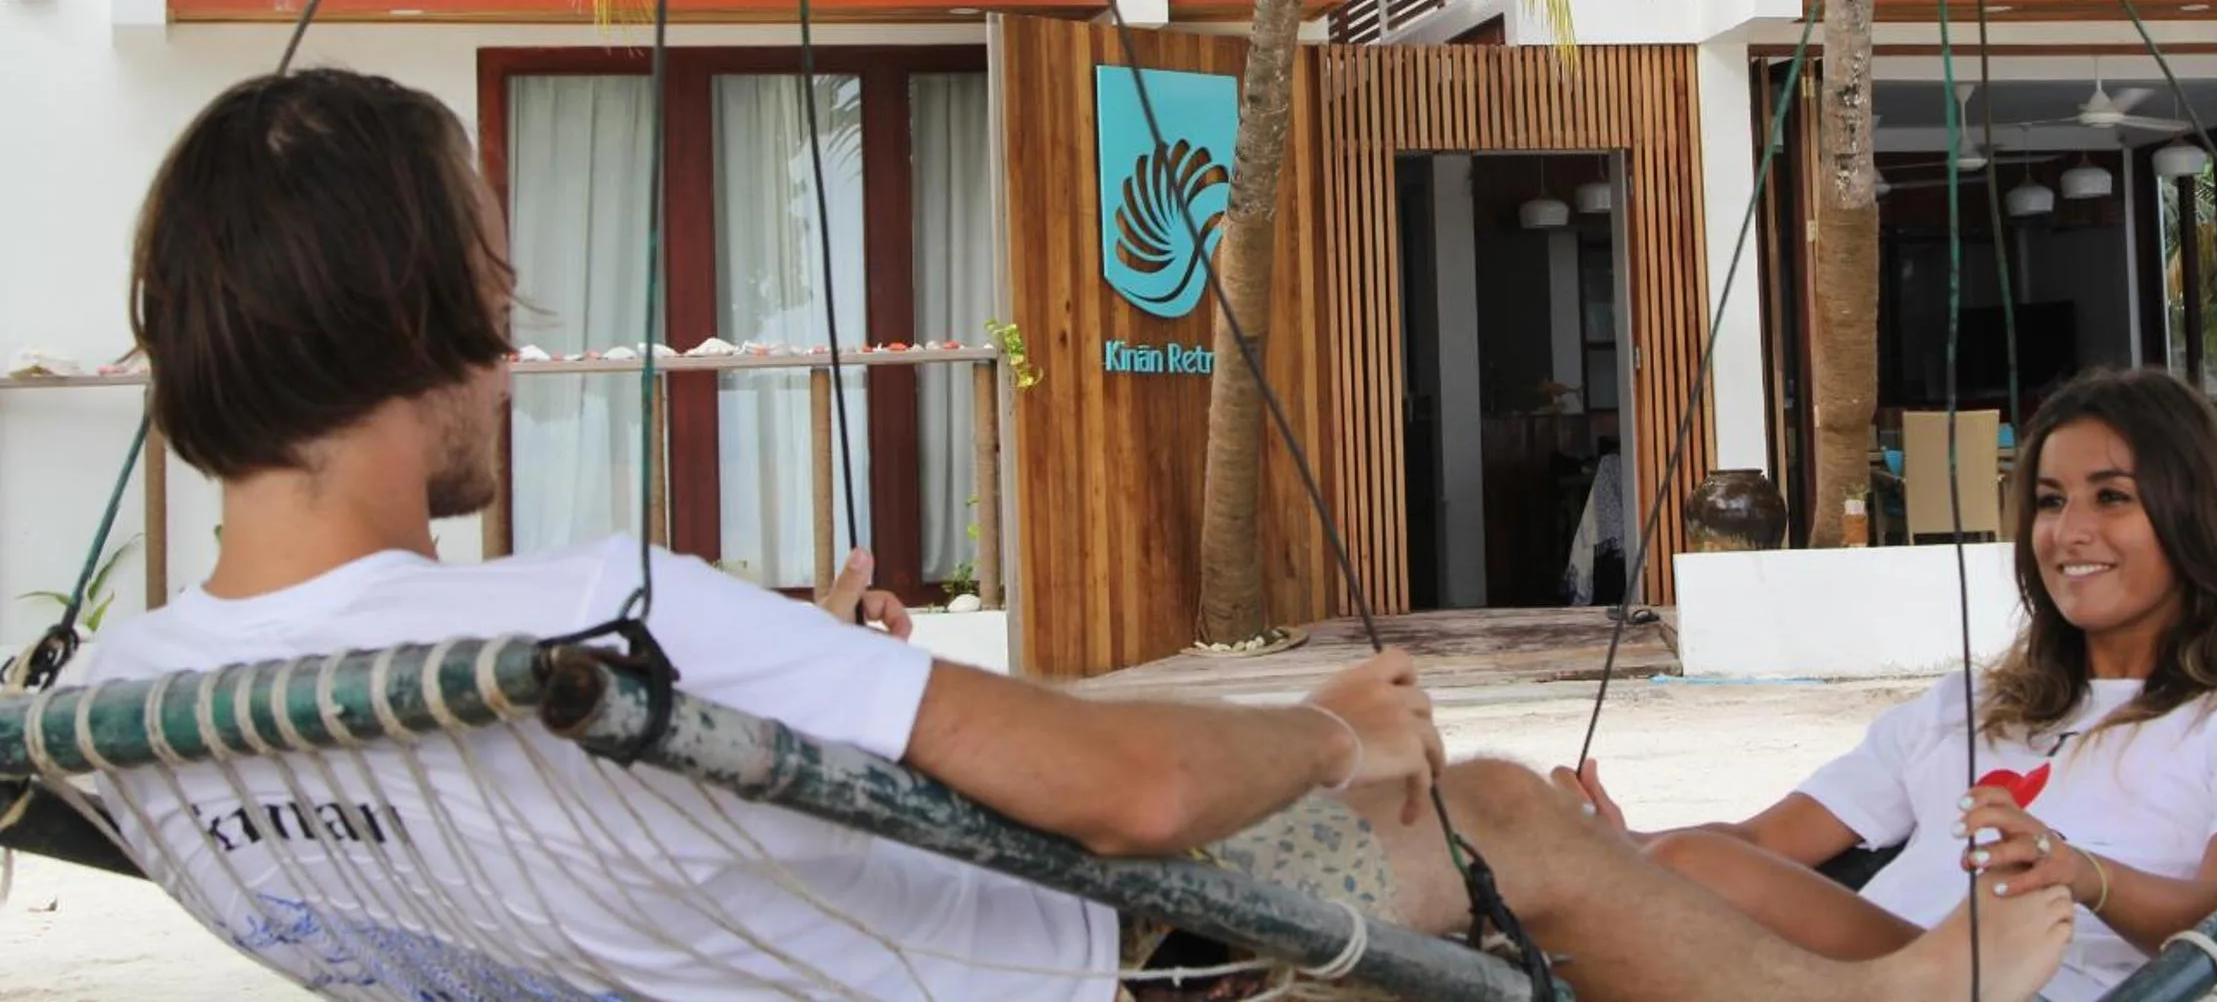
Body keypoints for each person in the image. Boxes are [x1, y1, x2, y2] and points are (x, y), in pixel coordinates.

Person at [86, 68, 2077, 1002]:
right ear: (420, 308)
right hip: (1062, 960)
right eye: (495, 294)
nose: (512, 351)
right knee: (1496, 810)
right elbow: (1125, 794)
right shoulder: (599, 605)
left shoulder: (120, 710)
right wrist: (1323, 726)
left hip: (695, 942)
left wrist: (790, 674)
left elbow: (563, 827)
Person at [1559, 367, 2217, 1002]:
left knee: (1690, 876)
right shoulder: (1969, 707)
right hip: (1867, 970)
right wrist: (1611, 846)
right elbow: (1768, 843)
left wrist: (2083, 874)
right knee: (1518, 814)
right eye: (2050, 501)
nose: (2069, 531)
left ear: (2193, 515)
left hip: (2039, 986)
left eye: (2112, 497)